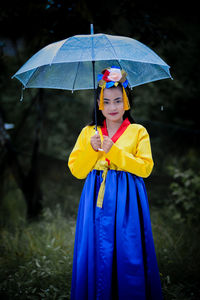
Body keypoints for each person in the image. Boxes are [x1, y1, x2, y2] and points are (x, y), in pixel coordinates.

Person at [68, 66, 163, 300]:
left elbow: (146, 168)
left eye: (118, 101)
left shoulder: (138, 131)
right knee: (95, 248)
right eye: (107, 102)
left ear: (127, 102)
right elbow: (77, 171)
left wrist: (115, 152)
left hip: (127, 197)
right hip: (95, 197)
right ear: (99, 104)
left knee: (128, 249)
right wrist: (92, 150)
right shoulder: (89, 132)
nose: (112, 107)